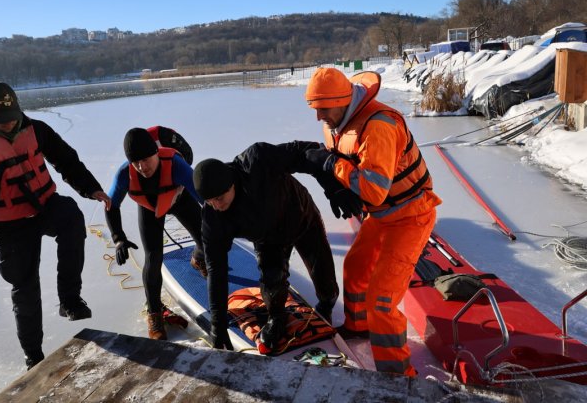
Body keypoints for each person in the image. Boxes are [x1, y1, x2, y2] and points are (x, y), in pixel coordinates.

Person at [0, 81, 109, 370]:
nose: (10, 123)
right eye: (1, 120)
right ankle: (34, 357)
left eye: (13, 115)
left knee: (71, 217)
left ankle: (70, 299)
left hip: (44, 206)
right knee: (25, 290)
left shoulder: (35, 129)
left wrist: (91, 188)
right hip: (9, 224)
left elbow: (66, 160)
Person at [302, 67, 442, 377]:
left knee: (382, 300)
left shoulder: (379, 126)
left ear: (342, 101)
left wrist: (331, 164)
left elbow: (374, 192)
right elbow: (340, 159)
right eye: (315, 109)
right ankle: (358, 326)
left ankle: (398, 377)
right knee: (355, 267)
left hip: (410, 216)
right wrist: (332, 175)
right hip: (382, 216)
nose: (318, 117)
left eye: (323, 109)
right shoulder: (337, 122)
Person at [192, 142, 339, 352]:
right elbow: (216, 269)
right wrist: (218, 324)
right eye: (209, 201)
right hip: (268, 239)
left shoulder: (257, 161)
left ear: (231, 183)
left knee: (325, 280)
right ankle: (277, 318)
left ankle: (326, 305)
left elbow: (305, 152)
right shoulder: (213, 217)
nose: (216, 205)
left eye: (219, 198)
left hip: (302, 218)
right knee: (272, 284)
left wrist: (332, 185)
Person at [104, 127, 207, 340]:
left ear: (156, 153)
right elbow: (111, 205)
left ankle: (198, 258)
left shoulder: (176, 165)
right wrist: (118, 238)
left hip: (180, 199)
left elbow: (206, 201)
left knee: (206, 240)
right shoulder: (125, 173)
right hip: (150, 209)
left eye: (146, 159)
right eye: (135, 162)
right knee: (153, 257)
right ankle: (154, 313)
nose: (141, 167)